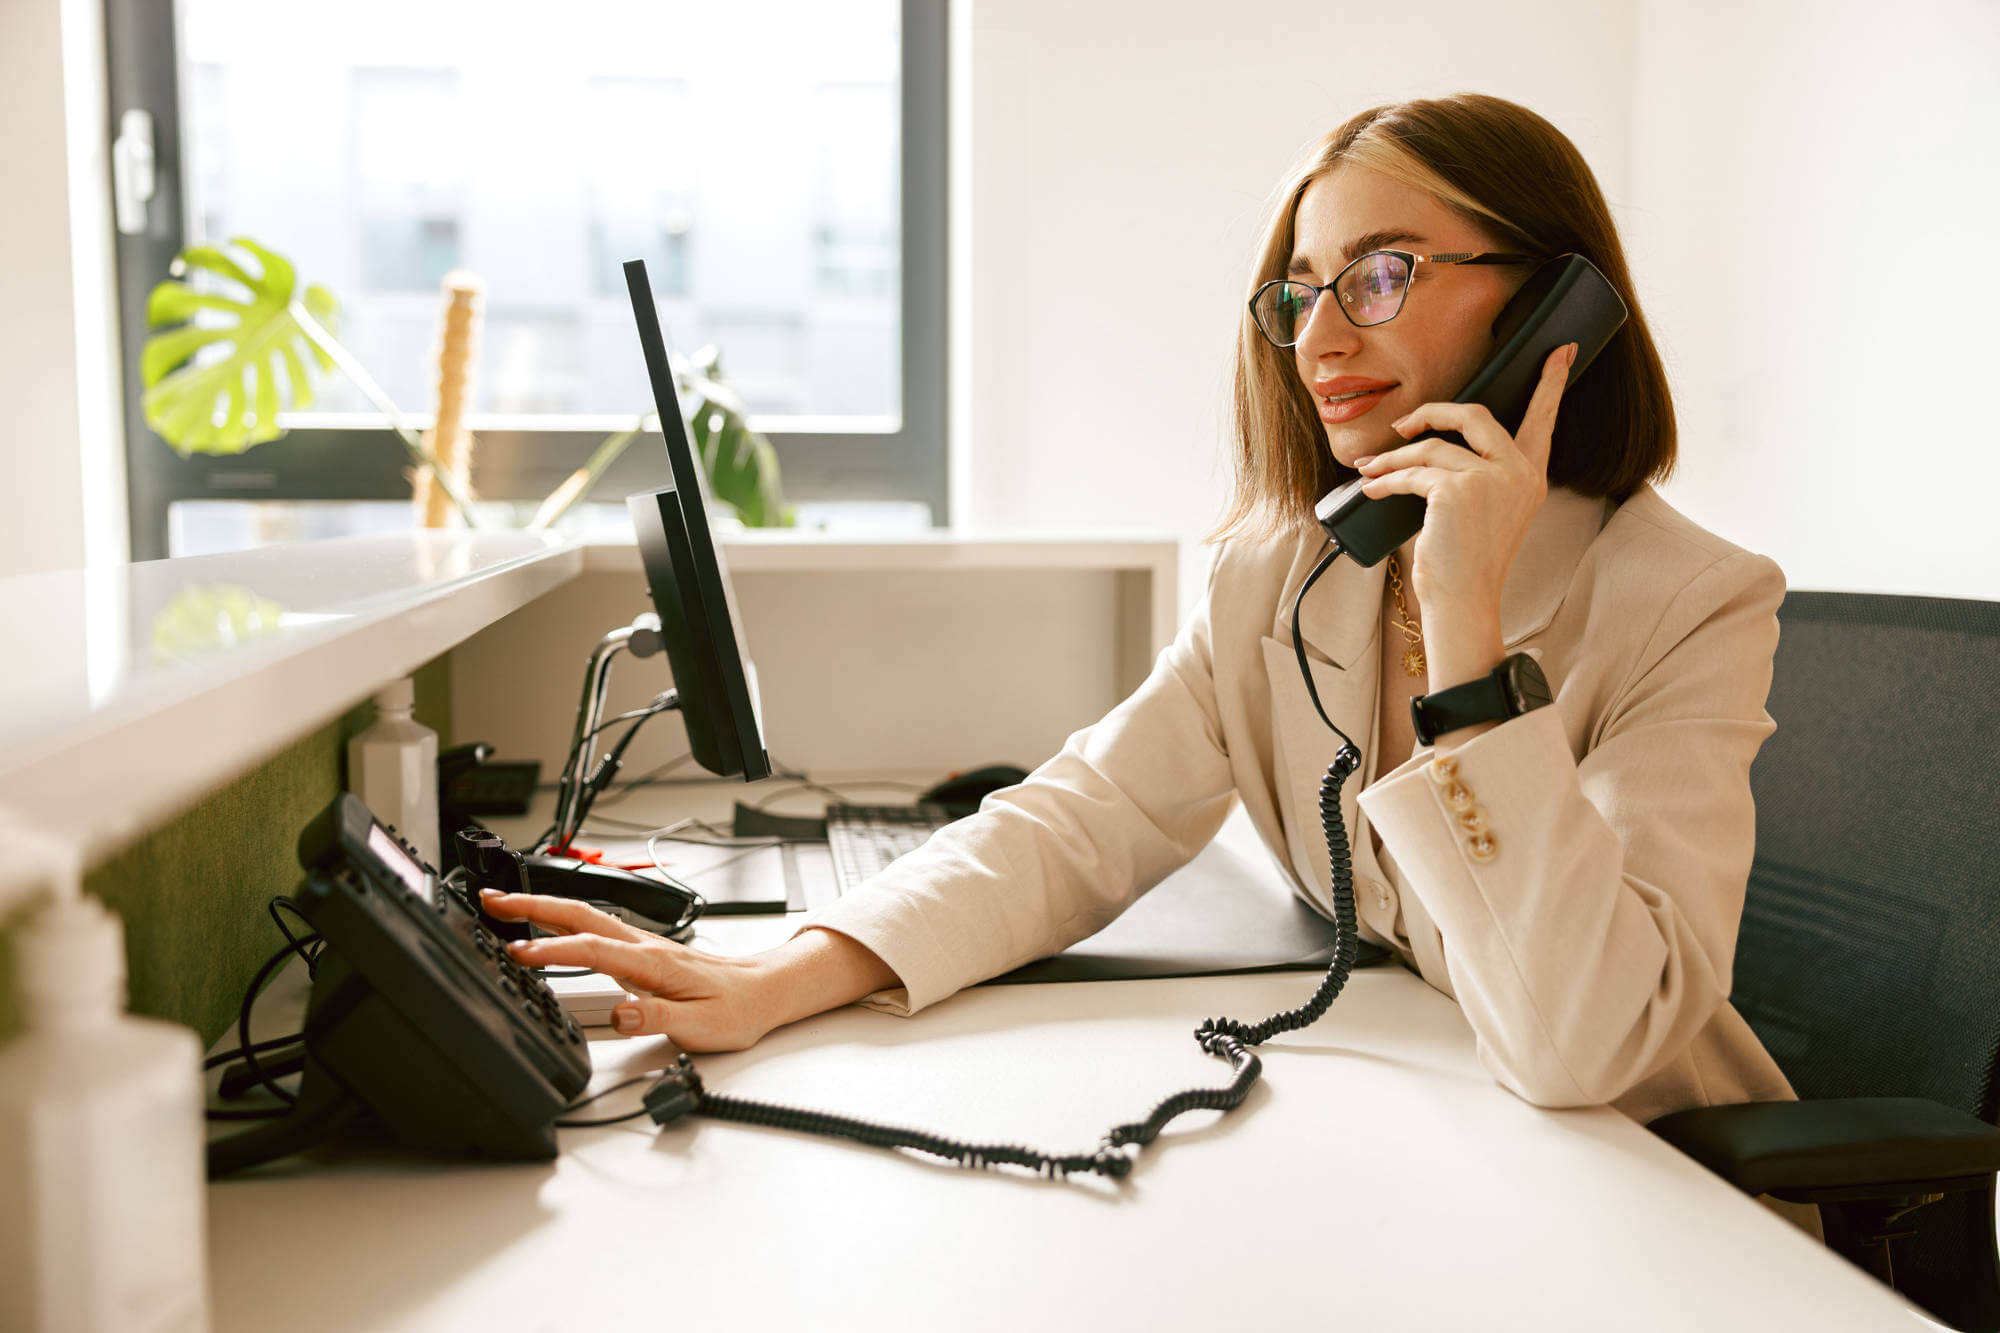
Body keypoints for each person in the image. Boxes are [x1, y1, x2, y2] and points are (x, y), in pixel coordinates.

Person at [484, 92, 1811, 1231]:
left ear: (1554, 306)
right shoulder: (1280, 581)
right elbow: (1082, 820)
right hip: (1468, 1168)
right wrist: (784, 973)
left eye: (1383, 273)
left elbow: (1585, 1044)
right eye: (1301, 291)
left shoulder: (1689, 601)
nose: (1321, 340)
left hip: (1666, 1193)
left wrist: (1463, 635)